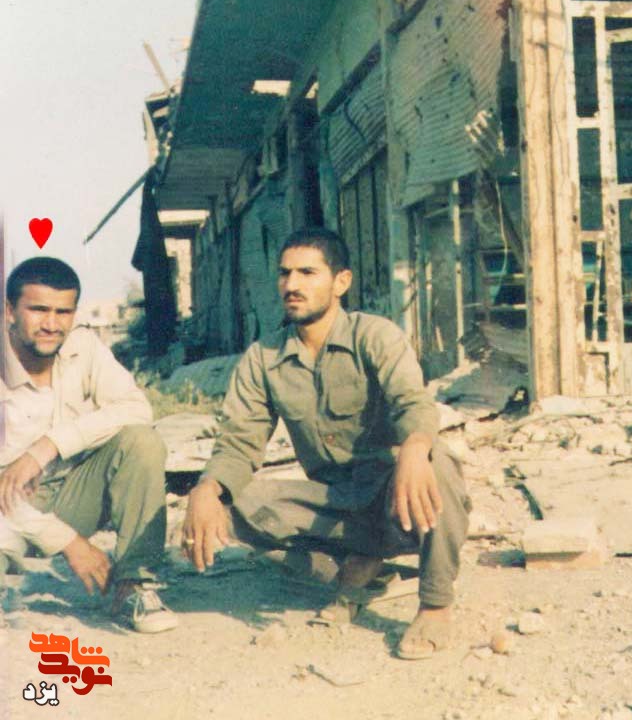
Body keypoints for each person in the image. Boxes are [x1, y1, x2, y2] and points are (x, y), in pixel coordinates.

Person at [181, 227, 469, 660]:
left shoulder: (375, 335)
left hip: (396, 500)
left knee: (437, 462)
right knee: (230, 507)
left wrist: (414, 448)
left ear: (341, 282)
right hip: (335, 505)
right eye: (285, 273)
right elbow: (239, 442)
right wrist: (207, 488)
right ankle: (362, 563)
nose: (291, 284)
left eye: (307, 273)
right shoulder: (263, 358)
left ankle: (435, 603)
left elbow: (413, 402)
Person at [0, 257, 177, 633]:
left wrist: (48, 445)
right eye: (38, 310)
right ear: (10, 311)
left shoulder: (82, 347)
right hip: (7, 513)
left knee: (140, 441)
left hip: (71, 493)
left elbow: (136, 408)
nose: (52, 324)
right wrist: (68, 542)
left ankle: (134, 585)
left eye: (63, 312)